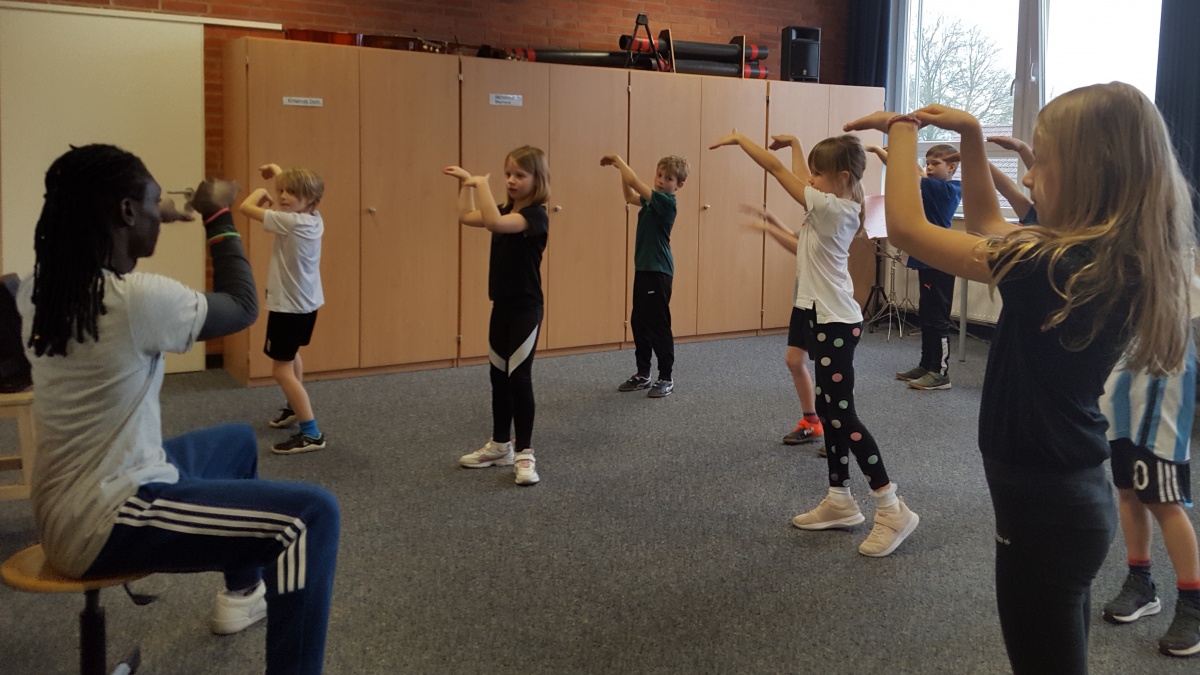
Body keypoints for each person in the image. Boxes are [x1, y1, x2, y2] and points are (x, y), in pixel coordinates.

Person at [845, 82, 1195, 673]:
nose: (1028, 178)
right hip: (1069, 492)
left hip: (1045, 506)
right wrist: (972, 137)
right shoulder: (1095, 253)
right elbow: (986, 220)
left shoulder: (1052, 266)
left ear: (1089, 175)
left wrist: (901, 131)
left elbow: (905, 228)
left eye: (1043, 163)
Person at [17, 144, 341, 674]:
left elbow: (101, 232)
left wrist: (150, 213)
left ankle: (244, 594)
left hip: (74, 498)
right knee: (311, 516)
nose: (162, 213)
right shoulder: (134, 300)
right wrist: (217, 215)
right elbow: (242, 306)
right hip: (105, 519)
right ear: (125, 212)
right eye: (153, 203)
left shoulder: (43, 287)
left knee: (237, 443)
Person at [709, 130, 919, 558]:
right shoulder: (826, 205)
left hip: (836, 321)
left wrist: (740, 140)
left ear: (841, 177)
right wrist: (793, 154)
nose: (810, 179)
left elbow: (776, 170)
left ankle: (891, 505)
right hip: (814, 312)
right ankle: (840, 499)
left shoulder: (835, 207)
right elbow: (802, 245)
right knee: (829, 412)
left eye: (818, 174)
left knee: (842, 415)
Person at [1098, 275, 1200, 658]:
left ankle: (1193, 603)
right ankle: (1140, 581)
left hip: (1166, 355)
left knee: (1161, 497)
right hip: (1124, 352)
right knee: (1127, 485)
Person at [445, 146, 550, 486]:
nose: (511, 180)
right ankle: (500, 445)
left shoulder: (535, 216)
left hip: (526, 308)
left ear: (537, 179)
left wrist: (482, 184)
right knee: (498, 376)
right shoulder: (504, 209)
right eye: (508, 174)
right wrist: (467, 186)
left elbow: (494, 223)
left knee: (519, 377)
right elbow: (467, 216)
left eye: (520, 175)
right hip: (501, 305)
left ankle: (525, 452)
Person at [239, 162, 326, 455]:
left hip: (289, 306)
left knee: (280, 369)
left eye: (291, 193)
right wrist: (278, 171)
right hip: (306, 304)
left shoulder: (290, 222)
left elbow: (246, 207)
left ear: (309, 199)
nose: (283, 196)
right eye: (281, 191)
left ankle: (311, 434)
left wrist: (261, 192)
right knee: (290, 356)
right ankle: (294, 407)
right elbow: (296, 191)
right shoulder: (313, 218)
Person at [865, 143, 962, 390]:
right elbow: (913, 170)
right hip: (928, 259)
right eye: (927, 163)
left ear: (952, 167)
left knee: (937, 319)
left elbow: (907, 172)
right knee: (927, 317)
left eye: (935, 164)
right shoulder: (932, 183)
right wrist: (896, 154)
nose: (929, 168)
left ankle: (940, 373)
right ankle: (926, 365)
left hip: (941, 260)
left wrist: (883, 152)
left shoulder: (947, 189)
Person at [600, 153, 688, 398]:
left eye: (668, 178)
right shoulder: (651, 201)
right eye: (659, 175)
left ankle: (666, 377)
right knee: (639, 322)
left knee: (657, 324)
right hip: (644, 269)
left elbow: (634, 182)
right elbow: (629, 196)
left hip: (658, 272)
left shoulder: (666, 202)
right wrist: (620, 172)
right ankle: (643, 374)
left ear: (678, 185)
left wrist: (619, 160)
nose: (661, 181)